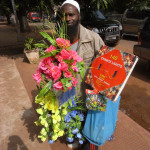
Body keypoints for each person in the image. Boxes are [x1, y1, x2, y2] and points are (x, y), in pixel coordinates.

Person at [59, 0, 105, 150]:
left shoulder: (92, 39)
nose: (67, 19)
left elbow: (106, 66)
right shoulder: (58, 41)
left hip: (89, 101)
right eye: (64, 15)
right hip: (69, 101)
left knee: (89, 142)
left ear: (79, 16)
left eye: (71, 14)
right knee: (73, 137)